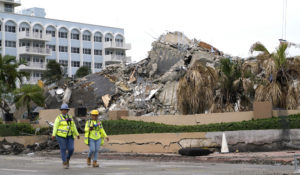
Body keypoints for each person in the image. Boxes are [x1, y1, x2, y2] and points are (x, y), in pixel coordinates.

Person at [52, 104, 80, 169]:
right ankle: (64, 162)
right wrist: (53, 134)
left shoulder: (70, 117)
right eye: (62, 110)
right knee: (63, 149)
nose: (64, 111)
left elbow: (73, 126)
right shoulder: (58, 118)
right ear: (61, 110)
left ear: (67, 110)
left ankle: (67, 158)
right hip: (60, 136)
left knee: (71, 149)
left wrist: (77, 134)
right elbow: (55, 127)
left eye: (65, 110)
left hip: (70, 136)